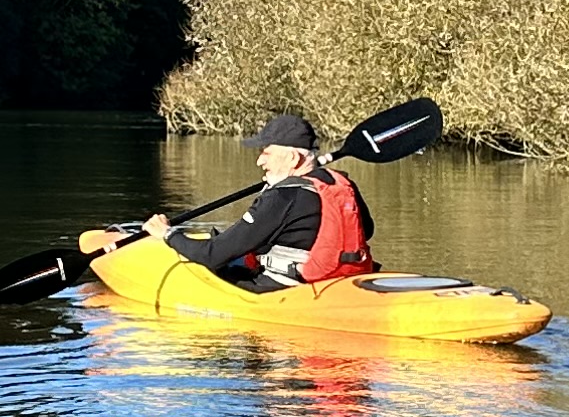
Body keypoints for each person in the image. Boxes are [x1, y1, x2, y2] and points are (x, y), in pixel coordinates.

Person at [91, 110, 374, 289]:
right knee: (232, 249)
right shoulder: (341, 183)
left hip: (285, 287)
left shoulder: (283, 196)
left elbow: (213, 254)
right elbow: (366, 231)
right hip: (339, 278)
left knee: (207, 261)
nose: (259, 159)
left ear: (292, 158)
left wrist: (167, 235)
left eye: (266, 151)